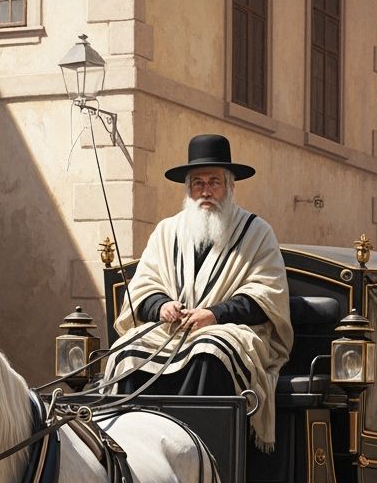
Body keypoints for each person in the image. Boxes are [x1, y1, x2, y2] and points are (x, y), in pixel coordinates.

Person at [104, 134, 293, 451]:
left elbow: (266, 296)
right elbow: (143, 287)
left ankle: (206, 455)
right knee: (128, 351)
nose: (206, 191)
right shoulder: (167, 231)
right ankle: (126, 453)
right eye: (198, 183)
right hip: (171, 330)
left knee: (209, 350)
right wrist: (161, 306)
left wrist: (214, 315)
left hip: (231, 329)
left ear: (230, 186)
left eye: (214, 182)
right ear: (188, 189)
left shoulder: (257, 232)